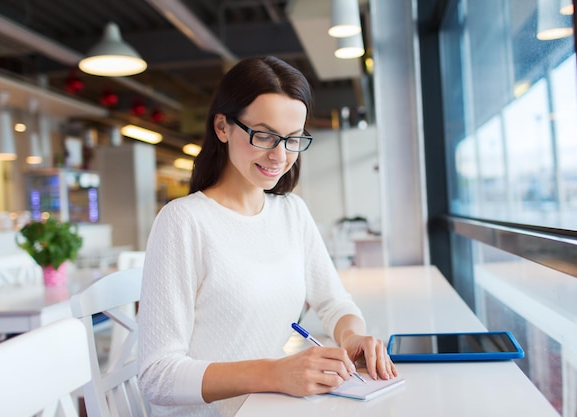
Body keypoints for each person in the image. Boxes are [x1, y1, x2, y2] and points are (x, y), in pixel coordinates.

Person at [138, 55, 397, 417]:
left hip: (267, 406)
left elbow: (334, 303)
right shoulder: (183, 221)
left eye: (293, 139)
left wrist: (352, 338)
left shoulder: (292, 212)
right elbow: (157, 376)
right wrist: (274, 373)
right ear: (223, 127)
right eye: (264, 135)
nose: (279, 155)